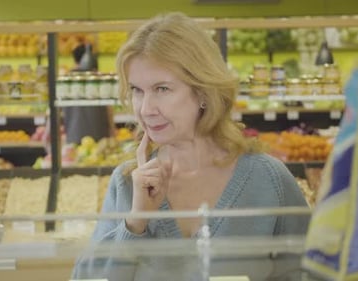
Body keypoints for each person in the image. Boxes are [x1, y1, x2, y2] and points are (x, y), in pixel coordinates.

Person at [72, 12, 309, 280]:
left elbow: (312, 272)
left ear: (203, 92)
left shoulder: (269, 180)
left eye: (162, 89)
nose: (146, 108)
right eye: (137, 90)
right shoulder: (127, 184)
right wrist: (135, 223)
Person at [62, 43, 115, 144]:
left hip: (74, 137)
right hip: (100, 137)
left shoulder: (66, 80)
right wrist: (112, 132)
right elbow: (109, 109)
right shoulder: (99, 79)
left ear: (74, 59)